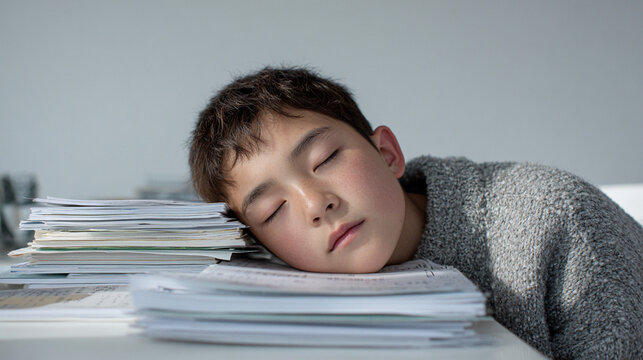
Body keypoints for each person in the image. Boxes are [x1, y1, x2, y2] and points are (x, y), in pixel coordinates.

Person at [189, 66, 642, 359]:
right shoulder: (280, 295)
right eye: (274, 210)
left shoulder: (557, 218)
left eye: (326, 160)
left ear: (387, 153)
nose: (315, 205)